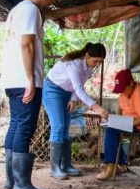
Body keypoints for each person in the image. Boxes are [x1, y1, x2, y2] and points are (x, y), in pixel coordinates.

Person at [1, 0, 58, 189]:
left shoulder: (16, 10)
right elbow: (26, 44)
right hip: (23, 79)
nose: (51, 2)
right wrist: (30, 79)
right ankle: (21, 186)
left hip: (11, 78)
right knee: (25, 127)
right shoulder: (31, 10)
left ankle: (11, 182)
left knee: (16, 125)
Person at [42, 42, 109, 179]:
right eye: (95, 61)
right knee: (58, 127)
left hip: (67, 94)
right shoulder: (74, 63)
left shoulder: (89, 68)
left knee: (66, 129)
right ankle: (55, 168)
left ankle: (66, 165)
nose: (97, 64)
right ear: (87, 55)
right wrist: (96, 108)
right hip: (52, 90)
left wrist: (72, 99)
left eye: (100, 62)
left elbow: (78, 85)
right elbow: (79, 88)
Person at [97, 69, 140, 180]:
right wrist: (119, 120)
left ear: (130, 83)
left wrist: (127, 124)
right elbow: (121, 108)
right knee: (112, 126)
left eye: (123, 89)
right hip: (132, 122)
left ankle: (111, 166)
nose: (122, 92)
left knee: (111, 130)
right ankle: (121, 164)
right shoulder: (127, 91)